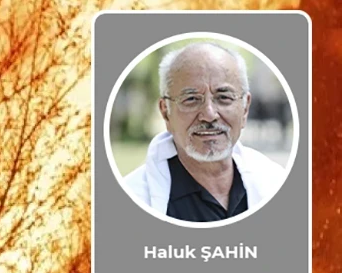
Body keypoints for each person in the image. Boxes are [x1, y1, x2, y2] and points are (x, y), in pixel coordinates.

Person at [123, 42, 287, 222]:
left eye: (224, 97)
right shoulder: (131, 201)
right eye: (191, 99)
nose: (209, 115)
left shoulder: (276, 183)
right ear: (165, 112)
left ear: (245, 108)